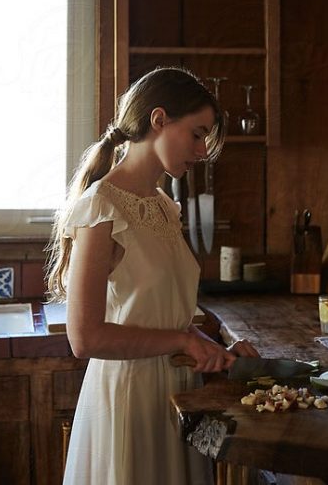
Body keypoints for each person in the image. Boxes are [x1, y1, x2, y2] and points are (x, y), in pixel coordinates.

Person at [46, 67, 259, 485]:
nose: (200, 150)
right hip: (128, 401)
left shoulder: (164, 205)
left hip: (177, 393)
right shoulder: (100, 207)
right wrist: (184, 340)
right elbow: (83, 337)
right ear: (158, 120)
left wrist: (217, 349)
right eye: (197, 133)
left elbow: (160, 312)